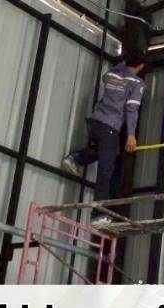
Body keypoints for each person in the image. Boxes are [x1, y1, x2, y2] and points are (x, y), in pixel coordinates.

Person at [62, 50, 146, 205]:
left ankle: (75, 158)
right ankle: (99, 212)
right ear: (141, 66)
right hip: (110, 126)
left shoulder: (111, 75)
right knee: (105, 169)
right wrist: (131, 135)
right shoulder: (137, 83)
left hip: (96, 122)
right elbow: (131, 109)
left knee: (105, 152)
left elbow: (112, 72)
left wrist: (125, 63)